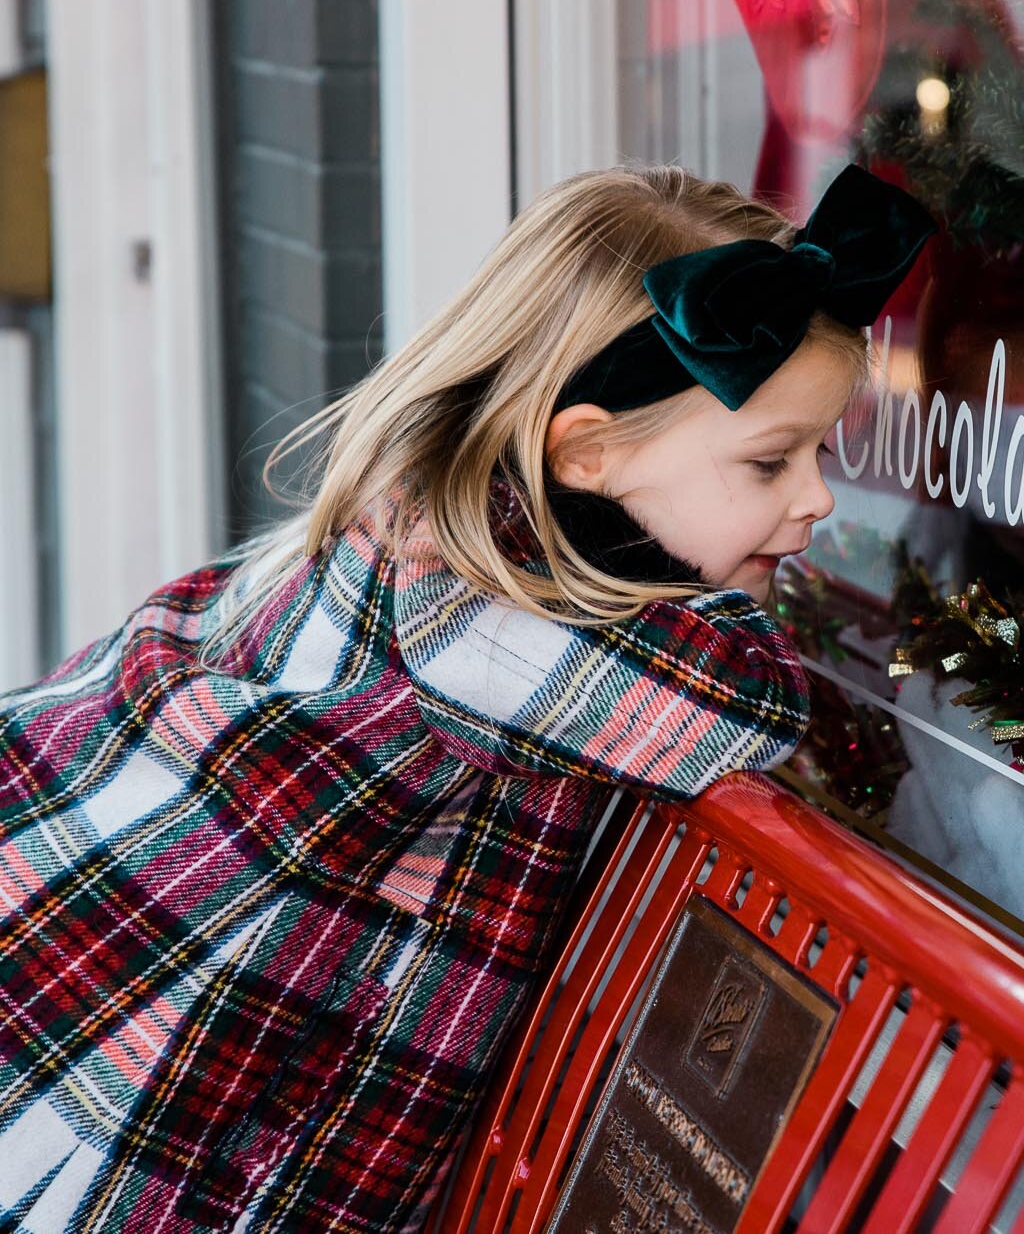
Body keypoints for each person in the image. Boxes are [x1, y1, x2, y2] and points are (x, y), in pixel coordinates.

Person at [0, 162, 934, 1232]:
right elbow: (743, 702)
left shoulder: (415, 517)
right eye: (771, 463)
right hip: (121, 1118)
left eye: (820, 452)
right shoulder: (479, 619)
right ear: (584, 453)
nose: (817, 498)